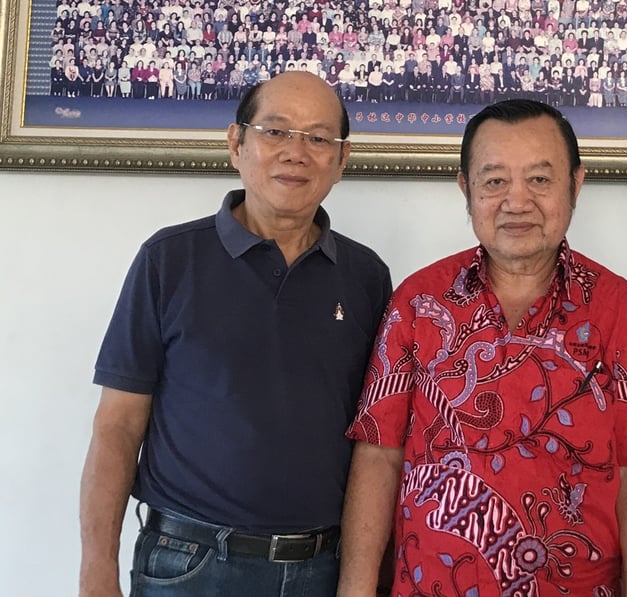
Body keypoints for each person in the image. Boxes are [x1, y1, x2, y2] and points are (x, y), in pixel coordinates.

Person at [79, 71, 392, 597]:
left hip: (321, 568)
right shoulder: (169, 260)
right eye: (276, 131)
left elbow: (376, 444)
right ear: (236, 143)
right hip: (188, 566)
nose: (296, 152)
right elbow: (117, 427)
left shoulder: (366, 277)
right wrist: (95, 573)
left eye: (318, 138)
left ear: (341, 160)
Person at [338, 99, 627, 597]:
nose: (517, 201)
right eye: (494, 181)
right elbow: (379, 455)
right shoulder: (419, 302)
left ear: (575, 186)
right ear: (465, 190)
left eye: (539, 179)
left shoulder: (624, 313)